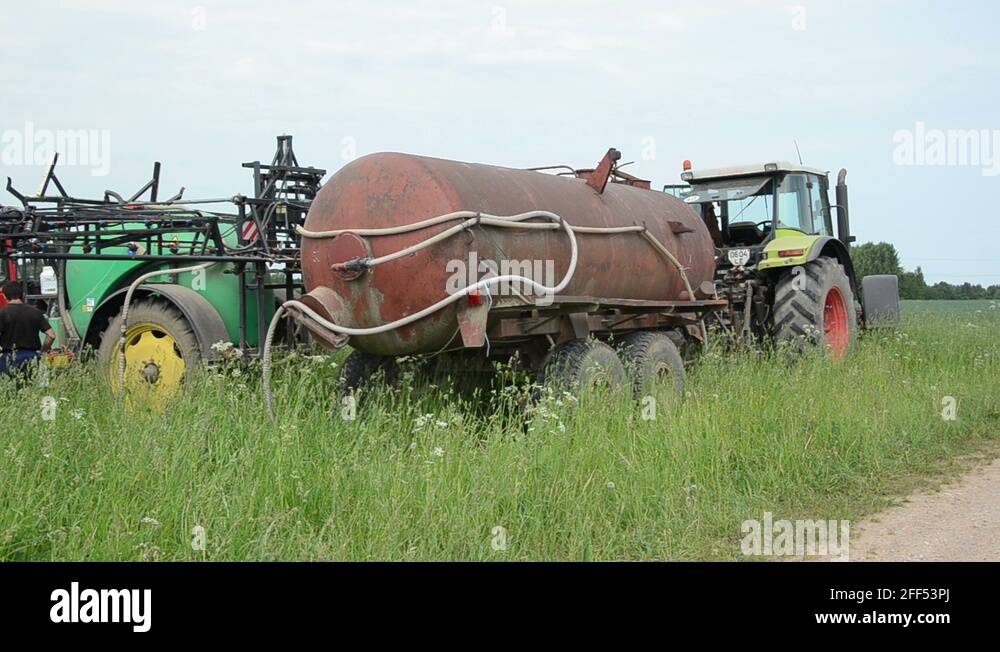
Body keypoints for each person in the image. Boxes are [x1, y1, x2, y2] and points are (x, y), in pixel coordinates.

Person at [0, 281, 56, 377]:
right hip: (32, 357)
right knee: (31, 388)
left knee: (9, 389)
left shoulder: (2, 313)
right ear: (23, 295)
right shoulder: (35, 312)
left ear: (5, 296)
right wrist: (43, 351)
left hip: (8, 358)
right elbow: (51, 335)